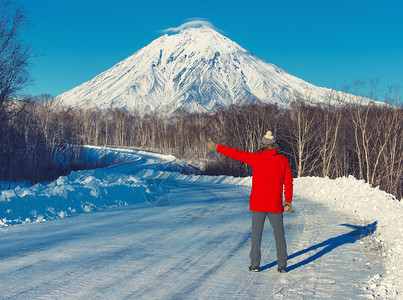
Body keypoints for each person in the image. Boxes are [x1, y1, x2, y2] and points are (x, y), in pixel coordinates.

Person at [206, 131, 294, 273]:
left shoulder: (256, 158)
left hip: (258, 204)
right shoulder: (282, 160)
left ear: (263, 144)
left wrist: (216, 146)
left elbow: (235, 153)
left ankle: (255, 265)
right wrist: (288, 201)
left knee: (256, 235)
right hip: (275, 204)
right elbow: (288, 182)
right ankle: (282, 265)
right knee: (279, 234)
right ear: (274, 145)